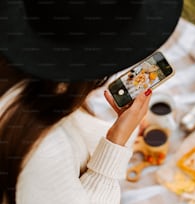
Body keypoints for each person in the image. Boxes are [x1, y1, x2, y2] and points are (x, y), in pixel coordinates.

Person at [0, 1, 183, 203]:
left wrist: (122, 133)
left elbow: (72, 130)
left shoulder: (28, 81)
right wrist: (116, 141)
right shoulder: (45, 151)